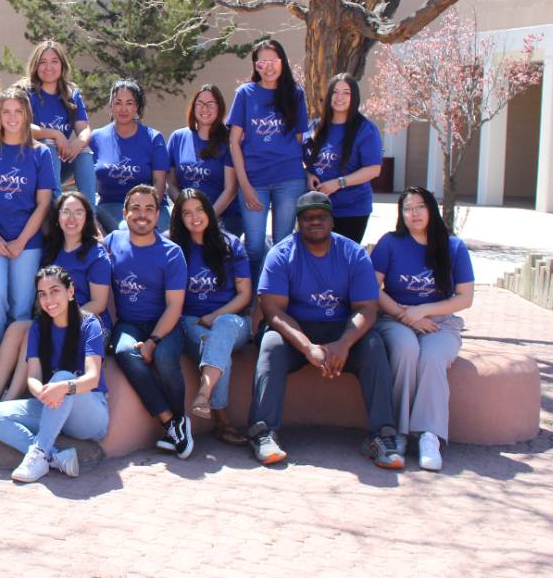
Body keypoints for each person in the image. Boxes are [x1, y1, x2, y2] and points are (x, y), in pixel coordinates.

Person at [247, 191, 403, 469]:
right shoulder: (281, 253)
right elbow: (273, 311)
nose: (314, 222)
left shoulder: (352, 253)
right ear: (298, 222)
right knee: (270, 345)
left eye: (321, 217)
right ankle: (263, 432)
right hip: (296, 333)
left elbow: (367, 308)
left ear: (332, 221)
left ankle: (382, 436)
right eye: (307, 218)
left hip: (343, 331)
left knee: (373, 346)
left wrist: (343, 344)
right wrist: (307, 347)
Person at [0, 190, 112, 429]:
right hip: (53, 318)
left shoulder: (95, 254)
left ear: (87, 218)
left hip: (85, 323)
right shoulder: (52, 250)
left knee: (34, 331)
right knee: (17, 329)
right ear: (57, 217)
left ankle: (6, 401)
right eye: (66, 212)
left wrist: (62, 319)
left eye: (78, 213)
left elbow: (99, 304)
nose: (71, 218)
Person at [372, 187, 475, 471]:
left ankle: (430, 436)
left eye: (420, 207)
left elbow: (465, 298)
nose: (414, 214)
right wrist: (406, 314)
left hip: (440, 323)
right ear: (400, 214)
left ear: (431, 210)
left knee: (431, 357)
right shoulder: (390, 243)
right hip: (396, 319)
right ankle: (399, 432)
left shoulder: (453, 247)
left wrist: (424, 310)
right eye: (407, 208)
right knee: (405, 350)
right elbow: (372, 287)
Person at [0, 266, 109, 482]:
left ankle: (38, 455)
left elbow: (92, 378)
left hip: (89, 414)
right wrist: (42, 391)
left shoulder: (90, 325)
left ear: (70, 292)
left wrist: (63, 387)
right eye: (42, 294)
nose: (48, 299)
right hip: (52, 405)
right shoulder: (39, 328)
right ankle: (54, 457)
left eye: (55, 291)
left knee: (62, 377)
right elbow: (32, 376)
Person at [0, 87, 55, 408]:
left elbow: (43, 203)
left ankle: (12, 379)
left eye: (17, 112)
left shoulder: (40, 153)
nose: (11, 118)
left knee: (21, 309)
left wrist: (21, 240)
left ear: (26, 116)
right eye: (5, 112)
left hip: (28, 242)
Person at [106, 185, 193, 458]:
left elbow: (174, 305)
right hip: (128, 324)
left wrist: (153, 341)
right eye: (135, 208)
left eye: (149, 209)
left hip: (164, 324)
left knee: (165, 358)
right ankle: (170, 421)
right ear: (125, 213)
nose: (141, 215)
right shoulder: (112, 241)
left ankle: (181, 418)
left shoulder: (171, 252)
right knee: (123, 352)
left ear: (158, 215)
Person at [168, 189, 252, 445]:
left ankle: (205, 393)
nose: (195, 217)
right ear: (179, 218)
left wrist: (214, 315)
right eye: (187, 212)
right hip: (190, 321)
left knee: (222, 329)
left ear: (209, 211)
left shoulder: (230, 244)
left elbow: (244, 295)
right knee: (215, 345)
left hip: (233, 319)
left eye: (200, 210)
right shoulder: (173, 246)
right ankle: (222, 422)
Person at [228, 40, 310, 286]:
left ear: (282, 62)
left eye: (273, 61)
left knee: (282, 243)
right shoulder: (245, 94)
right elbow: (234, 142)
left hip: (289, 179)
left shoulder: (295, 95)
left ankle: (275, 296)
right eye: (262, 62)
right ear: (256, 65)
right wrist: (245, 185)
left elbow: (299, 138)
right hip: (255, 181)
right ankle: (250, 299)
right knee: (253, 246)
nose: (268, 67)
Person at [304, 73, 383, 244]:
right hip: (316, 207)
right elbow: (299, 158)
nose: (339, 97)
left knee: (343, 263)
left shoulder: (366, 130)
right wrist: (308, 175)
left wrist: (338, 183)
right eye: (335, 92)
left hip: (351, 210)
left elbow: (373, 169)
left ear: (354, 97)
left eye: (346, 92)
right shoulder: (315, 126)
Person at [88, 79, 170, 234]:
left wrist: (148, 210)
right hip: (109, 206)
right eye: (118, 102)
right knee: (123, 233)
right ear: (111, 105)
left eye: (129, 103)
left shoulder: (154, 138)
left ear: (137, 107)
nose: (123, 109)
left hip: (148, 207)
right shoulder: (96, 137)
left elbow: (160, 182)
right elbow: (85, 177)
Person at [21, 41, 96, 205]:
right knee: (48, 144)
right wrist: (55, 134)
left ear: (62, 65)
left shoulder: (71, 93)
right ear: (35, 65)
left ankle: (91, 214)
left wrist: (79, 141)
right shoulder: (25, 91)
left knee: (84, 151)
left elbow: (84, 128)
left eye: (54, 61)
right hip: (29, 164)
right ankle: (56, 208)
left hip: (60, 165)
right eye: (43, 62)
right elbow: (22, 126)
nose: (48, 67)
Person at [168, 84, 241, 236]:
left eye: (210, 104)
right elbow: (171, 185)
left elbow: (231, 189)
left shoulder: (229, 140)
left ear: (219, 108)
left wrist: (207, 217)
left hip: (222, 216)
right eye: (200, 104)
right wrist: (186, 210)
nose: (204, 108)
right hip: (186, 218)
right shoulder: (178, 137)